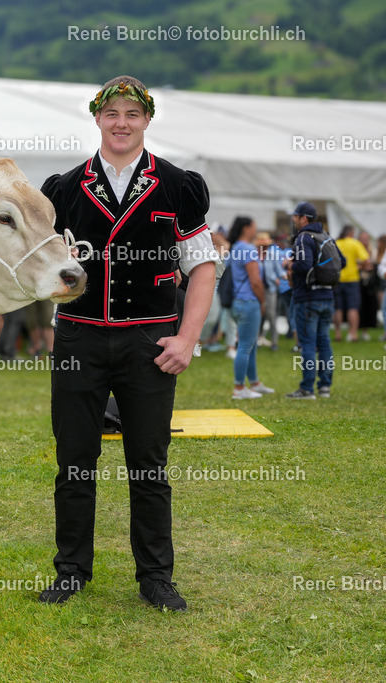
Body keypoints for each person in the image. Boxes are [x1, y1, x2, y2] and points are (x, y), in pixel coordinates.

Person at [33, 75, 217, 612]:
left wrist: (187, 339)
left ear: (146, 121)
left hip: (150, 343)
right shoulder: (63, 188)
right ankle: (71, 571)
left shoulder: (177, 184)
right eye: (111, 112)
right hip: (79, 340)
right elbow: (37, 262)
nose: (121, 122)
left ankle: (156, 577)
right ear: (96, 118)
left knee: (149, 465)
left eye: (131, 114)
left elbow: (202, 268)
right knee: (73, 463)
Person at [283, 203, 338, 399]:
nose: (293, 220)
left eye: (295, 216)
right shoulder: (326, 236)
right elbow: (343, 261)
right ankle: (325, 387)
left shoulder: (303, 237)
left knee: (307, 343)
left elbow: (304, 264)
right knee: (324, 342)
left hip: (307, 298)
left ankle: (307, 389)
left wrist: (289, 264)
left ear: (303, 218)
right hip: (327, 296)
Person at [226, 218, 274, 398]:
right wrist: (262, 301)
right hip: (249, 302)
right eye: (254, 226)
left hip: (237, 302)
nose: (256, 229)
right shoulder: (247, 249)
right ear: (247, 228)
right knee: (245, 346)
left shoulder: (235, 248)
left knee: (250, 344)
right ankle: (239, 388)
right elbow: (255, 281)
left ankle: (254, 382)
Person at [332, 225, 369, 342]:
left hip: (338, 278)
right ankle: (352, 333)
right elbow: (365, 259)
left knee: (338, 308)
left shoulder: (336, 243)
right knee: (352, 307)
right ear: (351, 233)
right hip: (352, 279)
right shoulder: (354, 243)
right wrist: (360, 266)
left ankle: (338, 333)